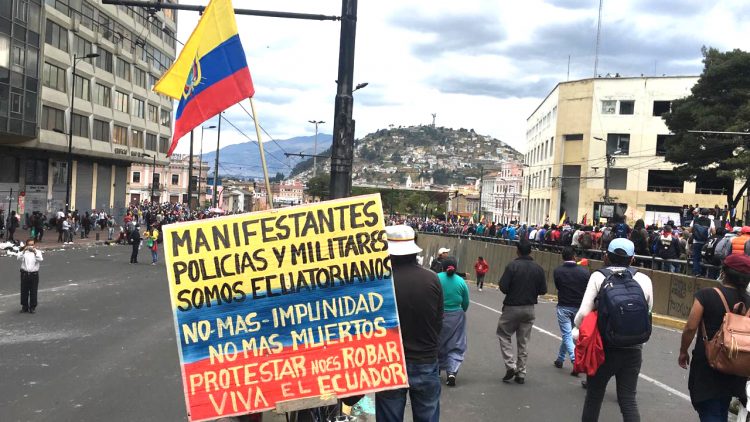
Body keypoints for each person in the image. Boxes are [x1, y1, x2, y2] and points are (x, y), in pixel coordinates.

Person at [575, 238, 653, 422]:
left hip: (604, 348)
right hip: (633, 349)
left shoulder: (598, 277)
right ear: (632, 258)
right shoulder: (644, 279)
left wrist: (578, 329)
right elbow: (647, 311)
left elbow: (583, 315)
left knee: (594, 396)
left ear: (606, 257)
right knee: (628, 400)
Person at [376, 225, 443, 422]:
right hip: (426, 361)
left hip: (391, 362)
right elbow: (439, 321)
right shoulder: (432, 279)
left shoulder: (382, 283)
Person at [678, 254, 750, 421]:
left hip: (708, 363)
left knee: (710, 409)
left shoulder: (707, 295)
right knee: (722, 406)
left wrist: (683, 351)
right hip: (737, 363)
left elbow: (690, 327)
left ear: (724, 272)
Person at [497, 241, 547, 384]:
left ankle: (510, 365)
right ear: (531, 251)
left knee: (503, 334)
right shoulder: (538, 268)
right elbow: (543, 290)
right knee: (523, 341)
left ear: (517, 251)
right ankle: (521, 372)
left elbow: (503, 287)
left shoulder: (512, 266)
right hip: (529, 308)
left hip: (512, 307)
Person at [553, 246, 590, 373]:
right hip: (579, 307)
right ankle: (560, 358)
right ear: (574, 256)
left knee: (567, 334)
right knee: (570, 335)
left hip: (563, 305)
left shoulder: (557, 271)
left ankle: (575, 359)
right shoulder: (584, 273)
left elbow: (558, 286)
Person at [438, 257, 469, 387]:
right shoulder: (461, 281)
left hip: (438, 314)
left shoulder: (436, 278)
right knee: (456, 344)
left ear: (442, 267)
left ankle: (435, 369)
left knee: (437, 341)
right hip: (456, 315)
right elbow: (465, 302)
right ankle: (452, 372)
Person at [18, 238, 43, 313]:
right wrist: (24, 251)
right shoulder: (23, 252)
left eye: (32, 245)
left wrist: (35, 252)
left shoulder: (37, 252)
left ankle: (32, 307)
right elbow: (19, 258)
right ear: (26, 245)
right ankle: (24, 306)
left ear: (34, 245)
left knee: (33, 291)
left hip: (34, 274)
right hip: (24, 273)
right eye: (29, 245)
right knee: (24, 290)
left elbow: (40, 259)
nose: (30, 247)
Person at [691, 209, 716, 276]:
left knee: (696, 258)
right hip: (705, 242)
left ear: (700, 213)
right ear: (708, 214)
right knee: (705, 258)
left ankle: (696, 272)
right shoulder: (710, 221)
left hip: (696, 242)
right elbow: (713, 232)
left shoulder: (695, 220)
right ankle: (703, 273)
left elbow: (691, 229)